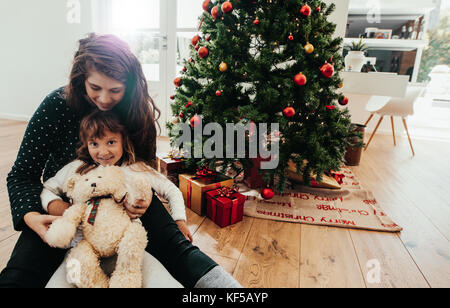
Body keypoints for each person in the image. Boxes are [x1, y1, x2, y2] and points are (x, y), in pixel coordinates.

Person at [0, 33, 241, 288]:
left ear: (128, 85)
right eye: (95, 88)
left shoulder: (134, 110)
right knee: (22, 271)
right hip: (64, 205)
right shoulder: (56, 106)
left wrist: (143, 198)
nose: (104, 99)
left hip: (122, 201)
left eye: (115, 90)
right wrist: (35, 215)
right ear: (81, 78)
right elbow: (22, 175)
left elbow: (144, 170)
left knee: (177, 248)